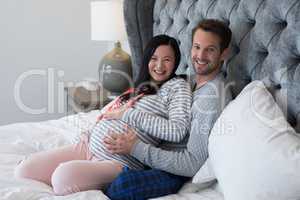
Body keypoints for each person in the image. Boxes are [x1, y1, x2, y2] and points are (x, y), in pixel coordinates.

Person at [14, 35, 192, 196]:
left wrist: (128, 114)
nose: (159, 66)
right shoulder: (142, 85)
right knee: (24, 170)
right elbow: (111, 112)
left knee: (61, 178)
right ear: (146, 59)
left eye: (167, 60)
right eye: (154, 58)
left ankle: (97, 181)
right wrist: (91, 131)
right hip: (88, 146)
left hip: (118, 160)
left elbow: (177, 131)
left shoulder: (177, 87)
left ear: (175, 62)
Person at [104, 19, 233, 200]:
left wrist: (136, 148)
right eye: (196, 47)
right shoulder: (188, 81)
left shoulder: (211, 100)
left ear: (223, 53)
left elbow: (193, 163)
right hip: (152, 150)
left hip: (174, 169)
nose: (200, 55)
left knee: (121, 186)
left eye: (210, 49)